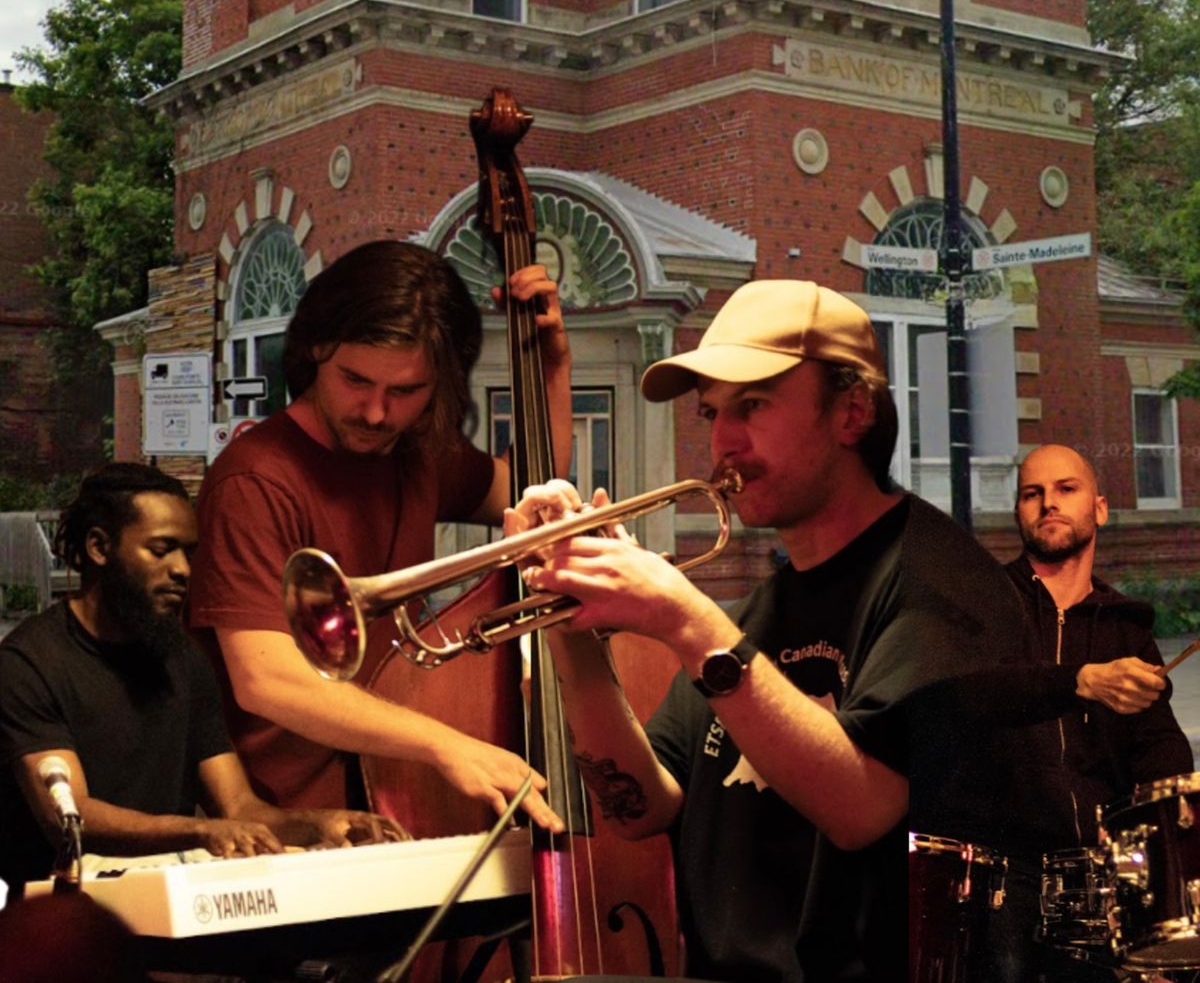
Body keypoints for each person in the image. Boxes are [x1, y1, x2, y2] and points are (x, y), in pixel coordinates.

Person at [504, 279, 1031, 983]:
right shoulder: (763, 607)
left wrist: (685, 619)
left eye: (752, 405)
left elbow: (862, 806)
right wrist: (567, 621)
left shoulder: (942, 586)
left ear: (850, 412)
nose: (721, 441)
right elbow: (639, 802)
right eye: (713, 411)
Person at [188, 239, 570, 830]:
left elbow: (531, 492)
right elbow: (266, 680)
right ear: (317, 349)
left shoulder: (415, 454)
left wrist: (551, 367)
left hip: (394, 798)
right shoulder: (256, 478)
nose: (374, 413)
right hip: (290, 822)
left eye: (405, 392)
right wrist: (447, 744)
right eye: (356, 380)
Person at [0, 463, 404, 900]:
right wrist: (201, 832)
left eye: (188, 553)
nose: (183, 570)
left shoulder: (182, 660)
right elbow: (73, 818)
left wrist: (319, 825)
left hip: (167, 901)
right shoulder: (27, 663)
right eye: (162, 550)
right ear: (99, 547)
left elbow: (238, 807)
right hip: (58, 918)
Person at [976, 443, 1193, 983]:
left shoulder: (1126, 627)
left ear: (1098, 508)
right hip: (1002, 879)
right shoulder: (980, 605)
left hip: (1103, 882)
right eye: (1033, 494)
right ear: (1019, 512)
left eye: (1065, 489)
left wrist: (1172, 874)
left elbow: (1159, 753)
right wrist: (1080, 681)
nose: (1048, 503)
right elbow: (971, 693)